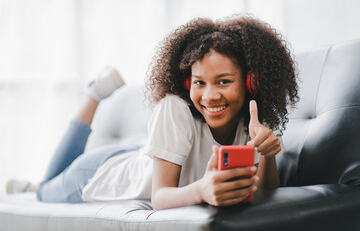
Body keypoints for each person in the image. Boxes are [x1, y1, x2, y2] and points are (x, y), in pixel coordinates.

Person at [7, 15, 299, 210]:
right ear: (188, 83)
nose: (210, 95)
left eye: (223, 81)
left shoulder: (255, 120)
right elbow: (160, 198)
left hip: (149, 156)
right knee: (45, 189)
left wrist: (269, 154)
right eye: (199, 83)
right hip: (100, 174)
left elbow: (264, 195)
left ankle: (29, 183)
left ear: (251, 82)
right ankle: (94, 94)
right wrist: (202, 190)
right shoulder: (175, 108)